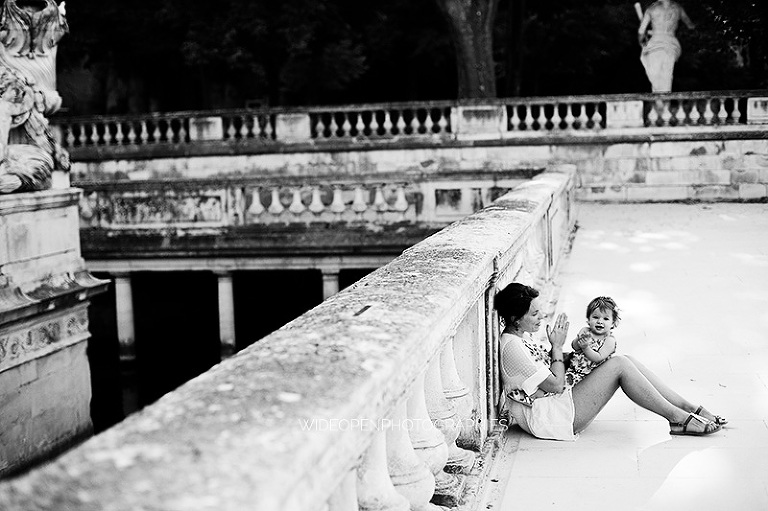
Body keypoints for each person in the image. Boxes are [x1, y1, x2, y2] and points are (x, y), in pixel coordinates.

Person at [496, 283, 725, 441]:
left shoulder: (519, 337)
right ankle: (678, 419)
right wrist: (556, 346)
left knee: (627, 359)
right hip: (550, 417)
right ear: (516, 318)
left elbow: (551, 370)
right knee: (619, 365)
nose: (541, 317)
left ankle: (687, 408)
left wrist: (577, 350)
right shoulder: (513, 347)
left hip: (554, 404)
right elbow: (554, 384)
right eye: (534, 314)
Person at [637, 0, 695, 92]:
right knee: (667, 76)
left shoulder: (652, 8)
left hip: (655, 43)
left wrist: (642, 40)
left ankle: (659, 102)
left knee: (655, 77)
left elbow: (641, 32)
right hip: (671, 43)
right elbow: (691, 26)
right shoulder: (678, 8)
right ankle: (664, 102)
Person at [566, 296, 619, 386]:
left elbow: (598, 358)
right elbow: (574, 347)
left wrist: (586, 348)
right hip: (573, 369)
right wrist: (579, 339)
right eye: (595, 317)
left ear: (613, 323)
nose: (600, 321)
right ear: (589, 320)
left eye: (606, 319)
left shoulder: (609, 340)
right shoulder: (586, 331)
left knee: (564, 385)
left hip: (590, 377)